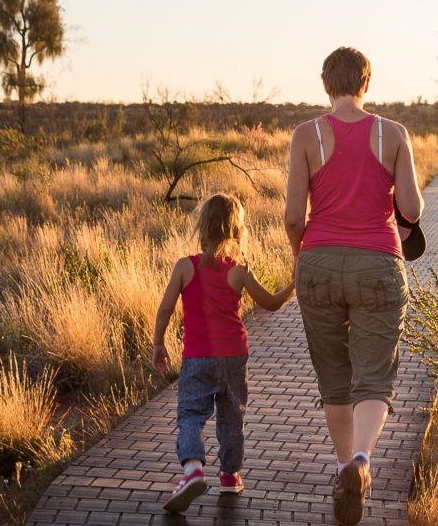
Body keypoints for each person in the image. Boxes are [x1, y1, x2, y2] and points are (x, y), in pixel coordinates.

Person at [283, 47, 422, 524]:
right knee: (374, 376)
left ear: (326, 84)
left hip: (318, 261)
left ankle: (343, 465)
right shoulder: (393, 134)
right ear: (366, 83)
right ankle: (361, 461)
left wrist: (302, 256)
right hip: (379, 263)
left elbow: (291, 215)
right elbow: (413, 207)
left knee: (334, 377)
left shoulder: (306, 135)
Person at [149, 193, 294, 514]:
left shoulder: (185, 266)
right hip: (234, 356)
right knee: (232, 416)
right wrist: (292, 285)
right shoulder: (238, 270)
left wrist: (158, 342)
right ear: (235, 230)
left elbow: (165, 308)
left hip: (198, 356)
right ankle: (229, 475)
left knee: (190, 414)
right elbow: (270, 303)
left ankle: (192, 471)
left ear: (202, 226)